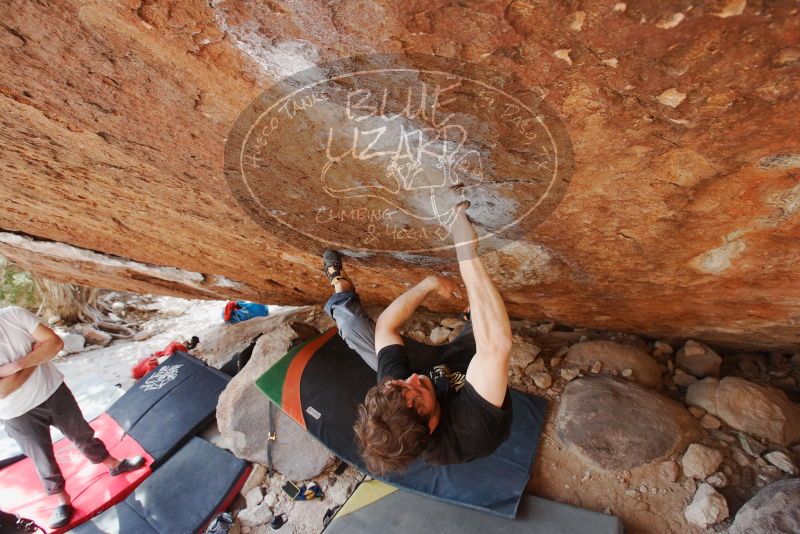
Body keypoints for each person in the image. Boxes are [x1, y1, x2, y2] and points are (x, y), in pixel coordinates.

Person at [322, 203, 513, 475]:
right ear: (430, 424)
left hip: (440, 369)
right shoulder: (470, 428)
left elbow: (386, 327)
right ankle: (474, 319)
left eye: (401, 383)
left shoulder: (395, 398)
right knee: (493, 312)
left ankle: (340, 289)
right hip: (471, 365)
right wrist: (466, 254)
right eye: (417, 392)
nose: (412, 378)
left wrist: (429, 283)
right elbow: (496, 347)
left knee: (353, 327)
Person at [0, 306, 145, 528]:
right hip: (16, 412)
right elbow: (2, 390)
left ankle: (113, 463)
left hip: (52, 389)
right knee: (42, 458)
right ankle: (61, 500)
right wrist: (35, 356)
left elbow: (55, 343)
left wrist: (17, 365)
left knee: (82, 434)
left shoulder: (13, 315)